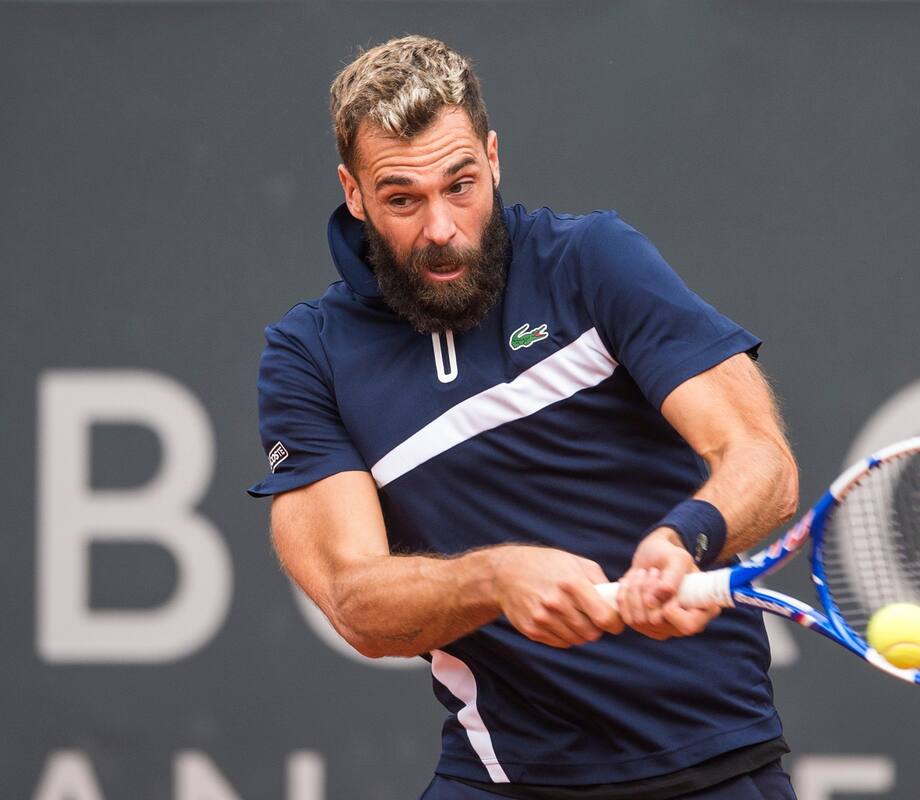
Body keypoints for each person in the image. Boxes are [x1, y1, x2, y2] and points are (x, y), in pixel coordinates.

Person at [249, 35, 799, 800]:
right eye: (403, 198)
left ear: (494, 158)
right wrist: (495, 579)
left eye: (461, 184)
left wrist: (685, 537)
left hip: (712, 765)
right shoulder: (310, 355)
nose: (440, 227)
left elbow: (762, 462)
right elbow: (356, 602)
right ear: (354, 192)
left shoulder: (592, 262)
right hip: (501, 776)